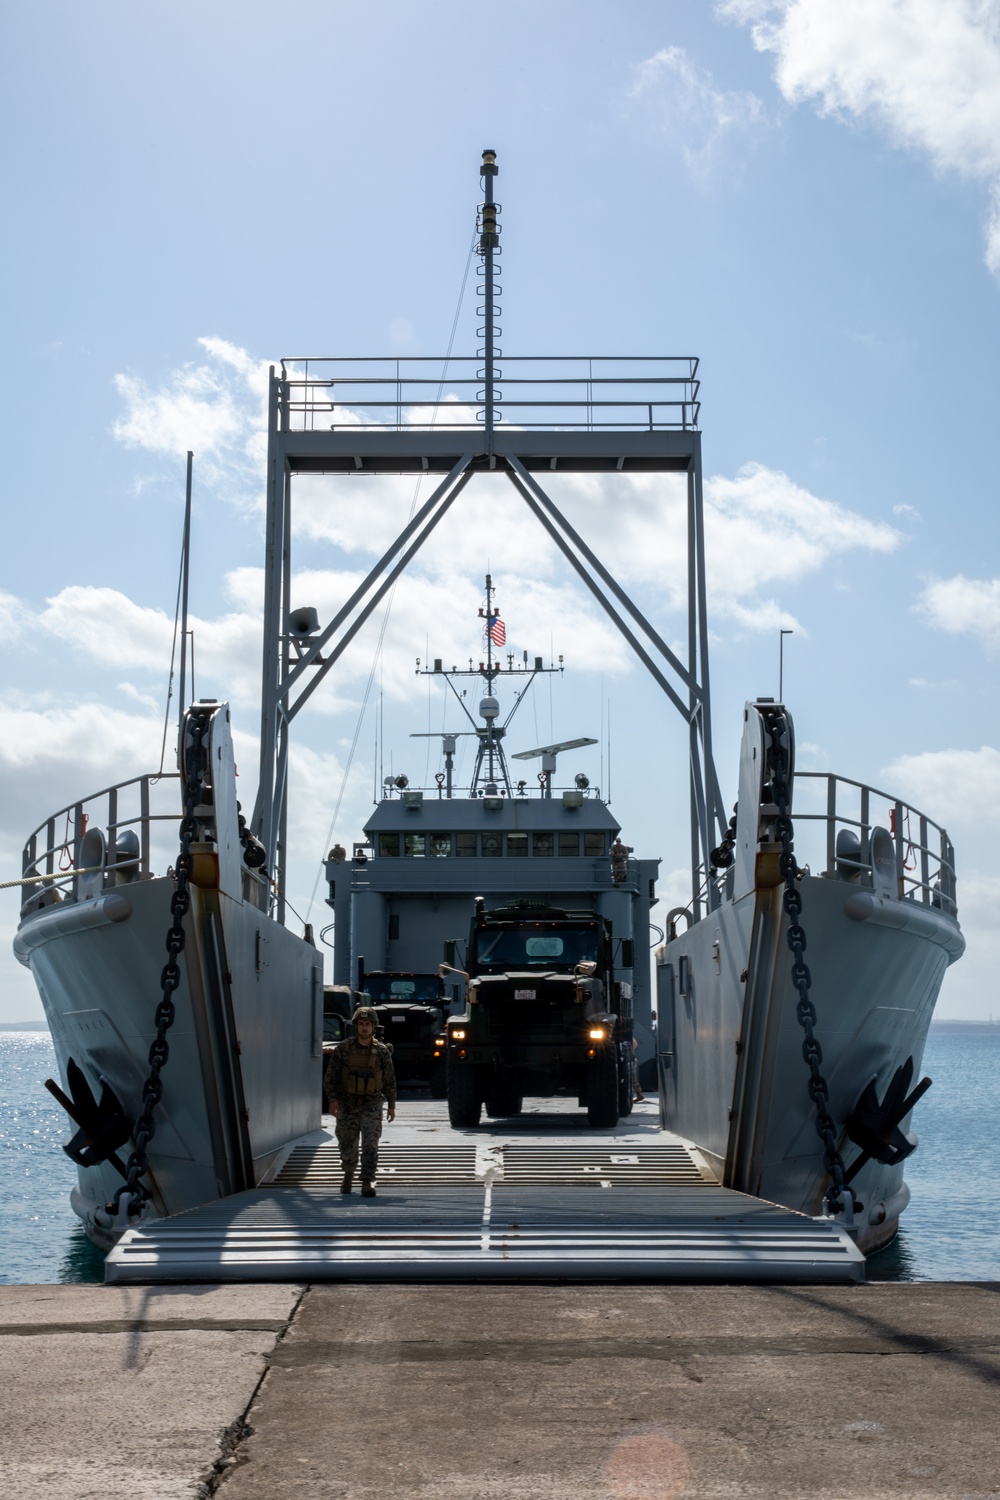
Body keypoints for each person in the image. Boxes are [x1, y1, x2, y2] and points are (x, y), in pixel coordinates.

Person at [324, 1006, 396, 1197]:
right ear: (357, 1026)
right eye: (361, 1024)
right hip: (348, 1104)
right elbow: (331, 1077)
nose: (365, 1028)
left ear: (374, 1027)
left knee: (370, 1144)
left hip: (372, 1104)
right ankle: (348, 1174)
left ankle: (366, 1181)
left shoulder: (381, 1052)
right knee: (347, 1143)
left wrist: (391, 1105)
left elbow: (389, 1080)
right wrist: (333, 1100)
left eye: (368, 1024)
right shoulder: (343, 1050)